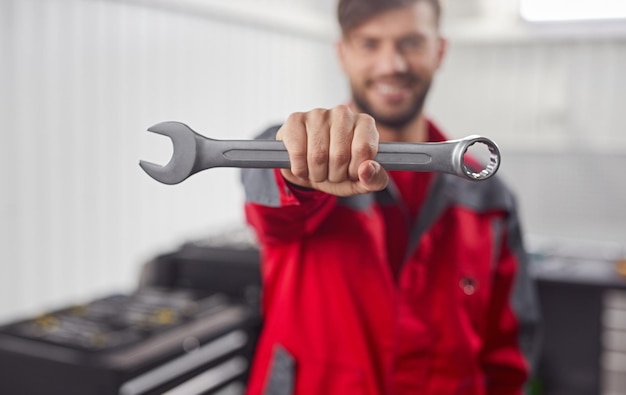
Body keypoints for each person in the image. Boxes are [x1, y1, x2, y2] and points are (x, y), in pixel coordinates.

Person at [241, 0, 541, 394]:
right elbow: (267, 196)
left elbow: (509, 356)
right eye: (369, 44)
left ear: (439, 51)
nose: (391, 64)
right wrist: (293, 165)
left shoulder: (489, 197)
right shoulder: (294, 164)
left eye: (411, 43)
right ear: (342, 54)